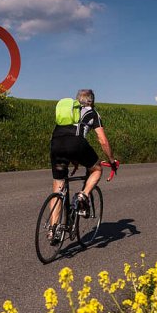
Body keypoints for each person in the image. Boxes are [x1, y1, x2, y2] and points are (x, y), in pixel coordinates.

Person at [49, 89, 118, 239]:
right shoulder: (93, 113)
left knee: (58, 187)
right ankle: (83, 195)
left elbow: (66, 134)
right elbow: (103, 140)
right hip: (76, 145)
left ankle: (53, 229)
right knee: (97, 169)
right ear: (92, 101)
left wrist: (73, 159)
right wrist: (112, 160)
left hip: (56, 144)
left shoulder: (68, 112)